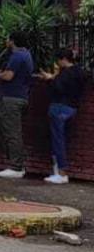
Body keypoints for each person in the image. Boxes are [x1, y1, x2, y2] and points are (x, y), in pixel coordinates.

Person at [0, 32, 34, 178]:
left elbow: (9, 76)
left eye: (7, 39)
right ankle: (15, 163)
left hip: (11, 98)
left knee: (12, 131)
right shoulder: (27, 55)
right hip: (20, 96)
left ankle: (16, 166)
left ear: (12, 41)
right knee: (7, 129)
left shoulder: (17, 56)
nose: (6, 41)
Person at [37, 49, 85, 185]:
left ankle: (60, 172)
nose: (57, 63)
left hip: (59, 107)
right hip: (72, 107)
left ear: (64, 59)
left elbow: (56, 88)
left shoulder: (64, 74)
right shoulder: (79, 72)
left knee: (57, 139)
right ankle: (59, 171)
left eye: (58, 60)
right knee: (63, 138)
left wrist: (50, 79)